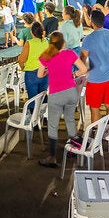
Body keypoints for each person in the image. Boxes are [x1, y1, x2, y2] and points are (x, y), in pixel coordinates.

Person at [37, 31, 87, 168]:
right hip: (71, 92)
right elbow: (83, 69)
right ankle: (74, 147)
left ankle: (52, 157)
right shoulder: (70, 53)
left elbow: (40, 74)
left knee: (53, 125)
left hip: (56, 94)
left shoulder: (46, 56)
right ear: (63, 42)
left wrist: (49, 71)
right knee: (70, 119)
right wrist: (73, 74)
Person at [81, 9, 109, 123]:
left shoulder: (88, 39)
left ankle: (96, 135)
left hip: (94, 80)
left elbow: (82, 59)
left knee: (94, 109)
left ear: (91, 22)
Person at [18, 22, 50, 102]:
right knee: (43, 98)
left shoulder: (29, 43)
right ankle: (43, 113)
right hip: (44, 72)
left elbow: (21, 60)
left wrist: (23, 68)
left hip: (31, 74)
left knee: (33, 99)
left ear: (31, 32)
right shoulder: (46, 42)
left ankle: (33, 113)